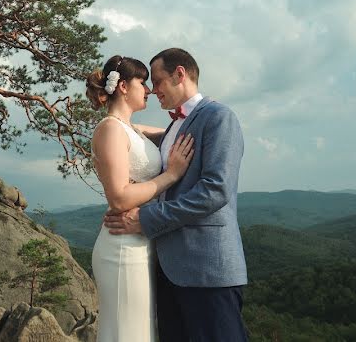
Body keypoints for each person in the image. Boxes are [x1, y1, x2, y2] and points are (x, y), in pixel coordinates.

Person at [104, 48, 249, 342]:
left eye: (157, 81)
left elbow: (215, 190)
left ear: (179, 74)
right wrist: (118, 124)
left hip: (207, 267)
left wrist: (146, 218)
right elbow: (134, 133)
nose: (152, 90)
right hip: (167, 270)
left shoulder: (220, 117)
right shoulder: (174, 126)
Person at [85, 55, 195, 342]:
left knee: (141, 331)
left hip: (141, 240)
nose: (147, 89)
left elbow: (172, 132)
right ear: (123, 86)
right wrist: (170, 175)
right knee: (128, 333)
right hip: (122, 247)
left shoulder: (131, 129)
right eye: (142, 82)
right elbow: (120, 197)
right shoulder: (109, 129)